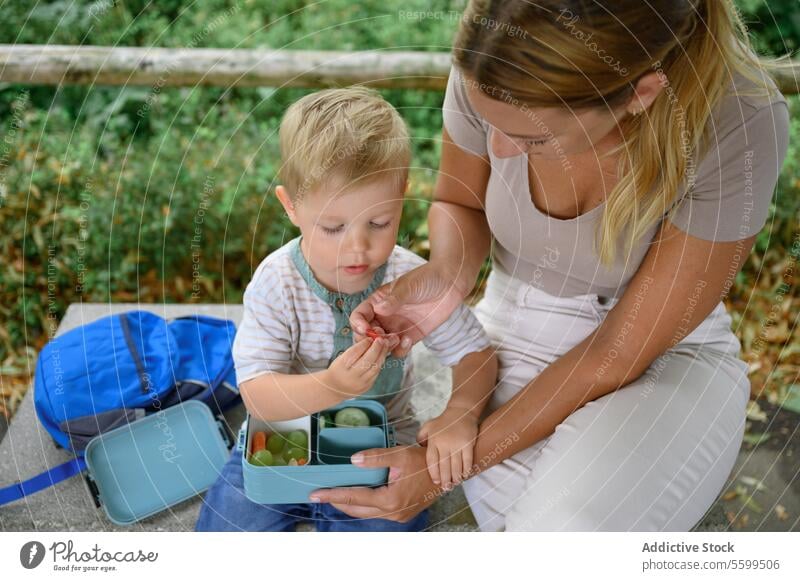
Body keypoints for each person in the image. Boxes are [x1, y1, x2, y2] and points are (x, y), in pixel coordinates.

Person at [309, 0, 790, 531]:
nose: (499, 150)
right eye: (487, 119)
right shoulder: (496, 57)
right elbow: (463, 201)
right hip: (511, 339)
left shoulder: (738, 116)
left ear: (640, 95)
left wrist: (435, 472)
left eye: (535, 139)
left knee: (567, 530)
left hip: (666, 358)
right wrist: (446, 276)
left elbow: (619, 351)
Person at [194, 86, 498, 531]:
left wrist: (460, 413)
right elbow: (258, 394)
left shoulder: (411, 281)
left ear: (402, 196)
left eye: (380, 222)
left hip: (381, 444)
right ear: (291, 206)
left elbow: (477, 355)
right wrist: (332, 386)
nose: (358, 247)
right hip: (280, 440)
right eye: (333, 227)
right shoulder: (277, 283)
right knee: (224, 532)